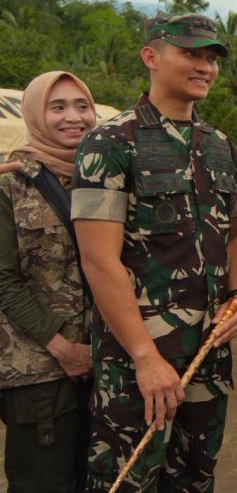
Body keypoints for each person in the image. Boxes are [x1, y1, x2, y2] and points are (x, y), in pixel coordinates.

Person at [71, 13, 237, 492]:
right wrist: (146, 357)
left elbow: (234, 235)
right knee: (130, 479)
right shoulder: (108, 143)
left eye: (211, 58)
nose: (206, 67)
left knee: (196, 476)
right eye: (191, 54)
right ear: (151, 56)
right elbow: (98, 259)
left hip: (208, 353)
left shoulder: (221, 147)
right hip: (137, 359)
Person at [0, 71, 96, 492]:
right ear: (36, 115)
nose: (73, 117)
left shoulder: (99, 178)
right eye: (57, 107)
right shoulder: (10, 183)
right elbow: (3, 281)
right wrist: (61, 347)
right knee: (44, 482)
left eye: (81, 106)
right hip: (37, 369)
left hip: (98, 361)